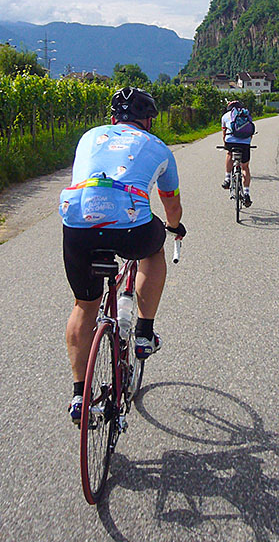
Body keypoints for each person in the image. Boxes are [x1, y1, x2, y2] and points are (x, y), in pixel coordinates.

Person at [59, 87, 186, 424]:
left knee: (84, 305)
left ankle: (79, 396)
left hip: (78, 223)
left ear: (113, 118)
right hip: (130, 227)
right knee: (154, 249)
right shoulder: (158, 146)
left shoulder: (89, 137)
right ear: (148, 121)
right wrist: (175, 227)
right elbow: (171, 205)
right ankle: (144, 332)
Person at [221, 99, 254, 207]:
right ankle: (247, 193)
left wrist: (225, 145)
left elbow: (224, 133)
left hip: (230, 142)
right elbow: (250, 132)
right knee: (245, 167)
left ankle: (227, 178)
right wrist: (247, 142)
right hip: (245, 143)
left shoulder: (225, 116)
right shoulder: (246, 115)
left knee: (229, 154)